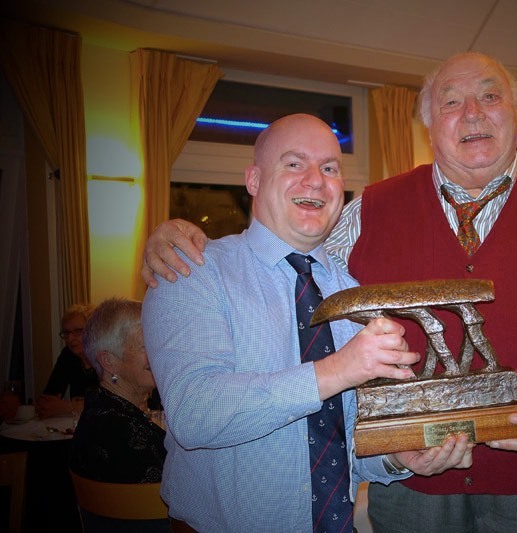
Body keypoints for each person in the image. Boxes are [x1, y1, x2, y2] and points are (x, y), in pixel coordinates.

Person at [141, 53, 517, 531]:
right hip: (413, 498)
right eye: (451, 101)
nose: (472, 113)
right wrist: (181, 239)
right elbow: (286, 239)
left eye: (490, 96)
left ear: (516, 113)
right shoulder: (367, 211)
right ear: (427, 124)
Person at [141, 114, 472, 532]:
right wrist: (336, 370)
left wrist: (395, 457)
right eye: (294, 164)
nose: (315, 180)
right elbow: (194, 414)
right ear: (255, 180)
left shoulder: (351, 292)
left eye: (329, 168)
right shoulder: (192, 271)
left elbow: (340, 440)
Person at [68, 297, 168, 532]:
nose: (159, 350)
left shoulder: (101, 414)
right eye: (145, 344)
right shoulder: (120, 431)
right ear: (109, 361)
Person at [36, 303, 99, 418]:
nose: (70, 338)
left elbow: (109, 403)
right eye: (66, 333)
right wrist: (45, 405)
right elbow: (48, 397)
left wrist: (69, 407)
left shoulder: (104, 358)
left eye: (77, 331)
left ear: (92, 330)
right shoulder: (68, 355)